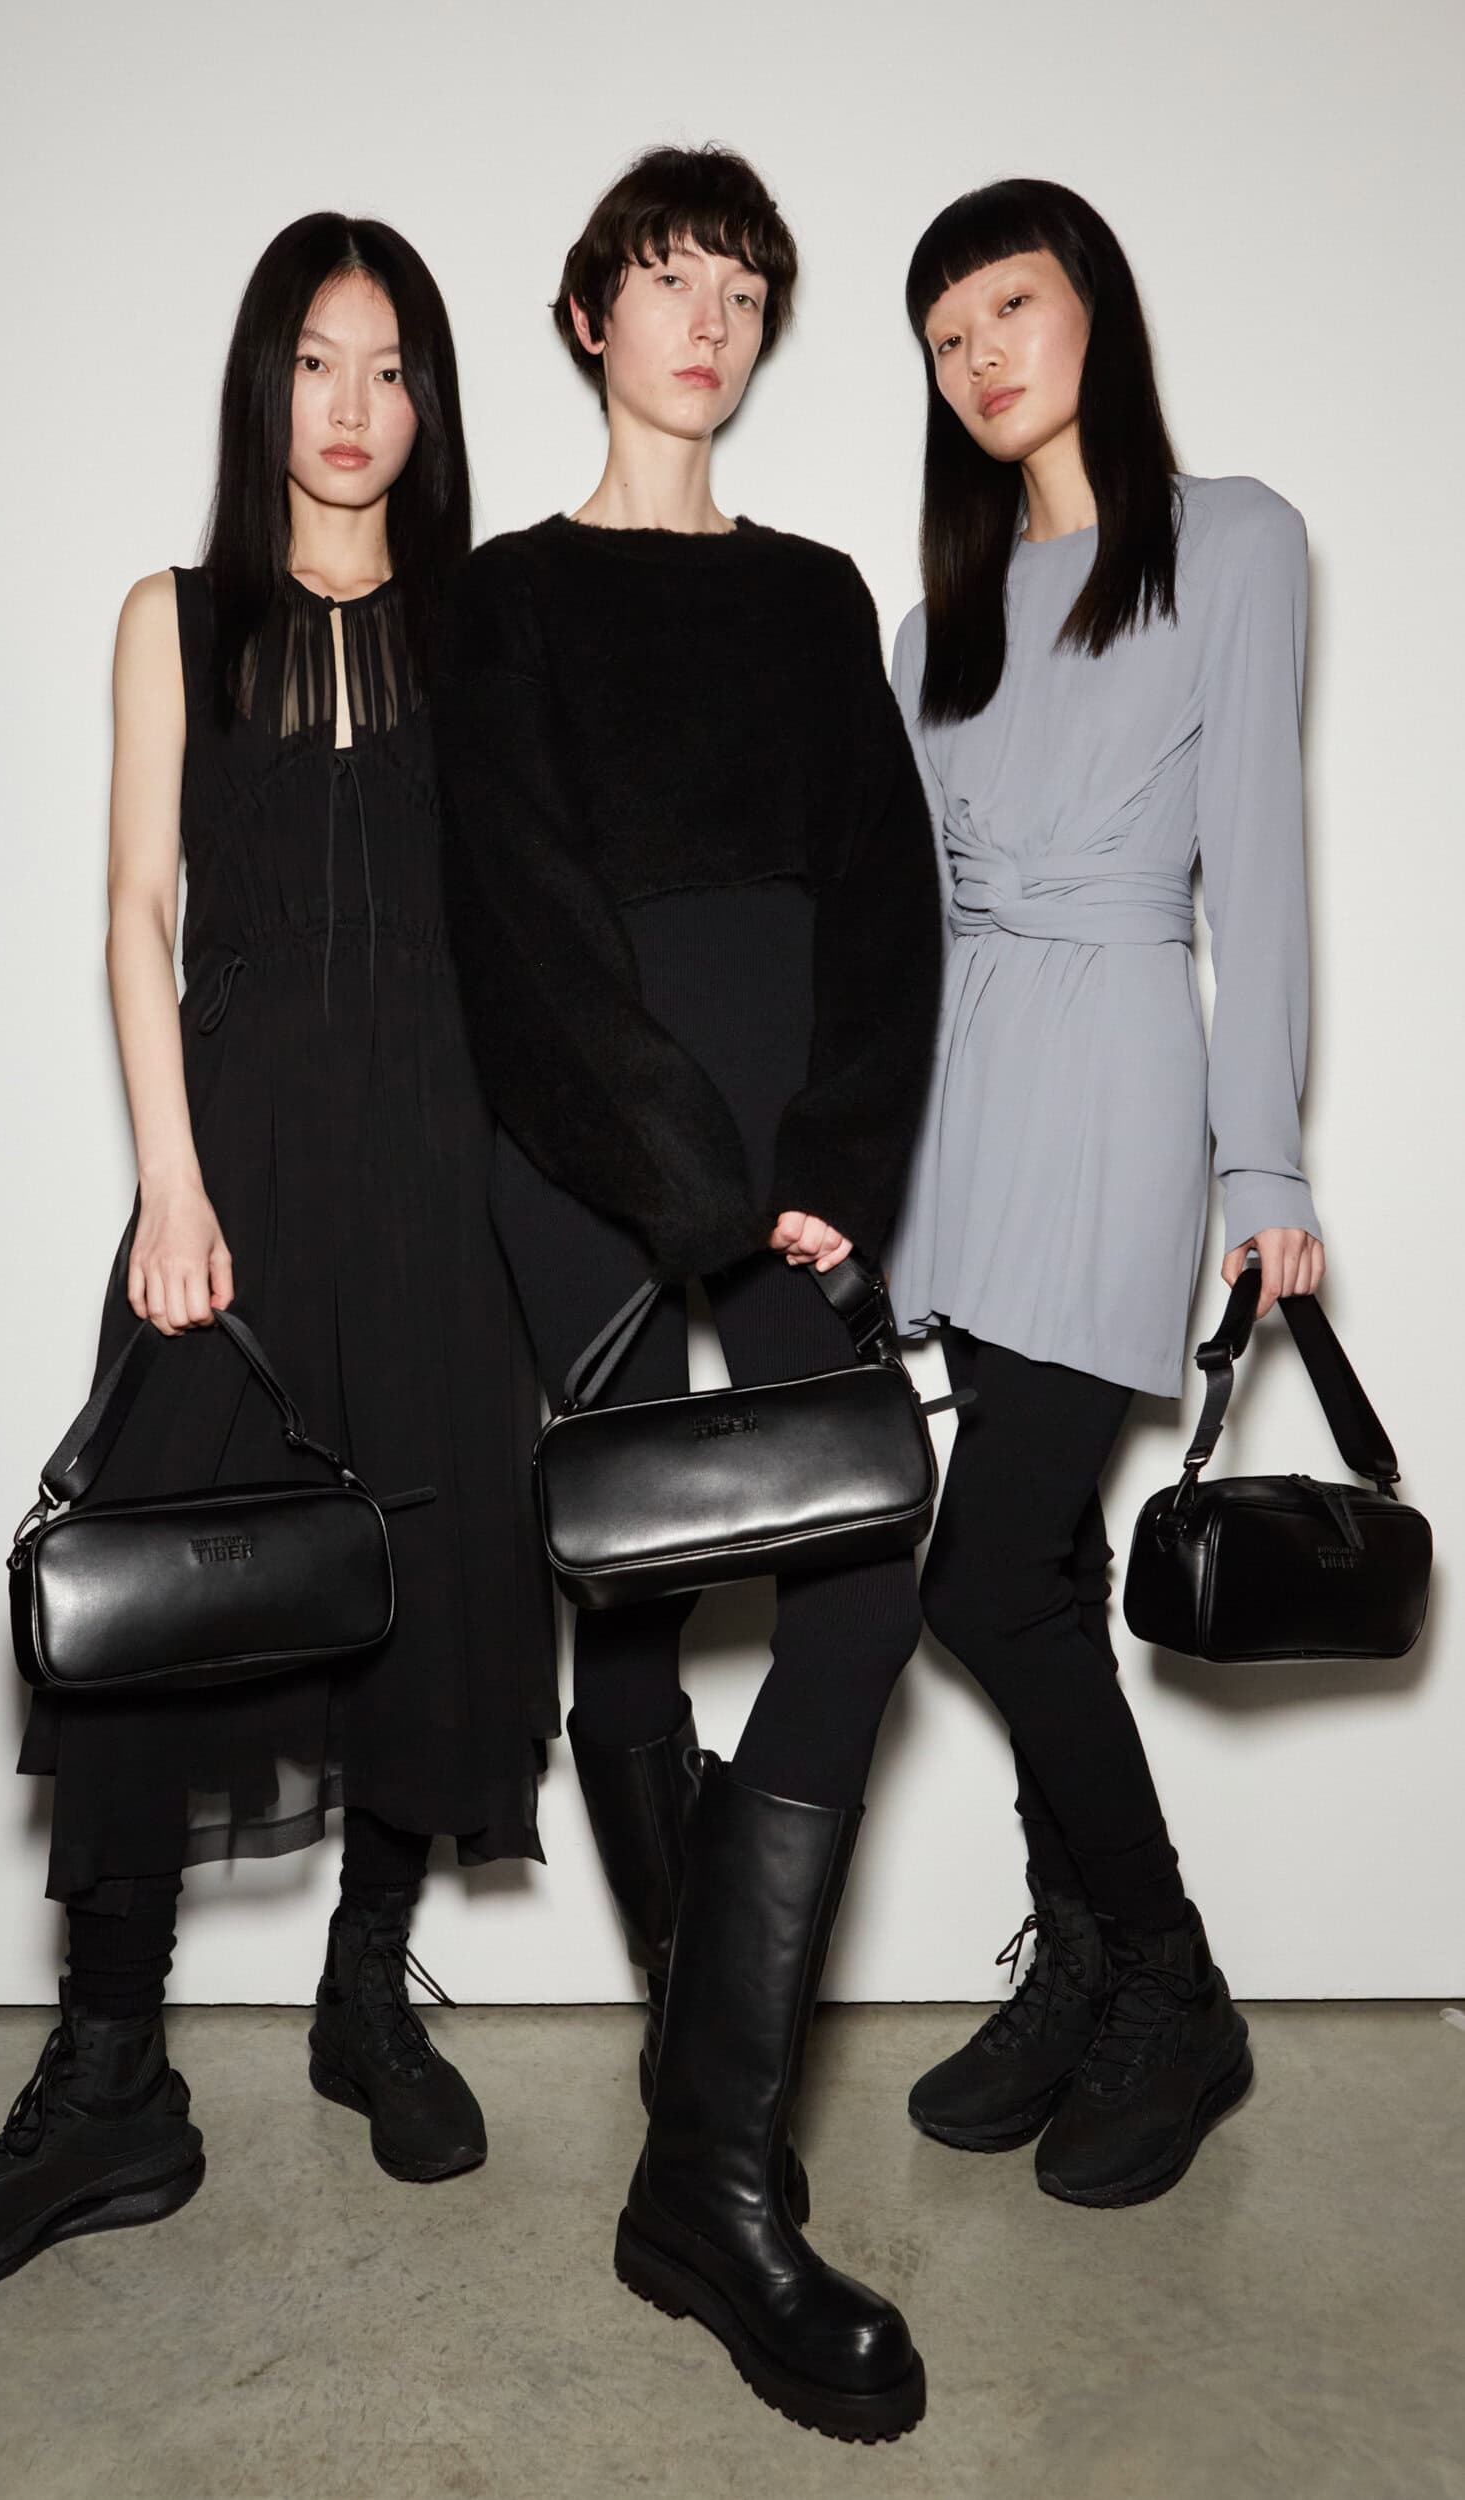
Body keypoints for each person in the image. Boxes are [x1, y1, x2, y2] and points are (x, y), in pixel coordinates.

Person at [0, 213, 557, 2301]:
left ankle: (363, 1994)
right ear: (266, 382)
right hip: (229, 1167)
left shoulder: (479, 629)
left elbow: (541, 925)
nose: (354, 406)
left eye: (393, 368)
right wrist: (170, 1180)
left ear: (430, 403)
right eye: (318, 361)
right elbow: (131, 911)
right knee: (152, 1595)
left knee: (422, 1579)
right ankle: (109, 2082)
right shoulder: (174, 618)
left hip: (437, 1170)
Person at [434, 145, 942, 2443]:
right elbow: (520, 913)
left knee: (861, 1572)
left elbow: (885, 899)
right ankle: (716, 2164)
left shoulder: (817, 591)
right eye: (670, 278)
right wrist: (681, 1177)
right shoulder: (507, 593)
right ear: (589, 318)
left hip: (788, 1162)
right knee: (629, 1593)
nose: (709, 319)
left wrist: (827, 1165)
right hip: (583, 1147)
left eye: (744, 286)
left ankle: (698, 2151)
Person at [889, 178, 1324, 2208]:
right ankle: (1074, 1965)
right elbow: (904, 926)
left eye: (1009, 305)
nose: (980, 356)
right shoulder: (937, 623)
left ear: (1094, 308)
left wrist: (1266, 1158)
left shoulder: (1233, 541)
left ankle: (1171, 1979)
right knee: (1042, 1573)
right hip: (967, 1107)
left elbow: (1261, 870)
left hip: (1123, 1085)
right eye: (944, 336)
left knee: (976, 1582)